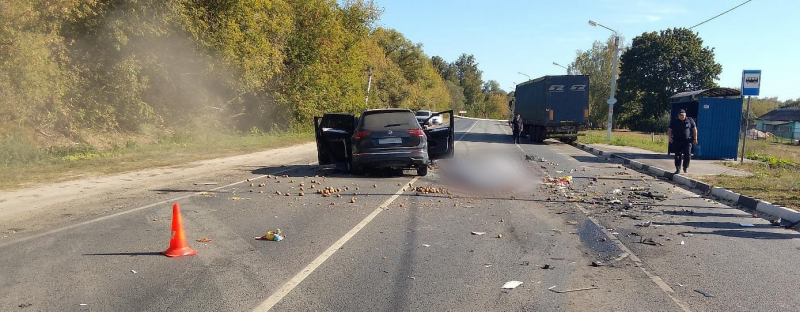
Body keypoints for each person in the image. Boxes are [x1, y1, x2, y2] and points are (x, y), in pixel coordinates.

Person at [667, 109, 698, 174]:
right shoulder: (675, 121)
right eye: (680, 115)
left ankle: (685, 167)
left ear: (685, 115)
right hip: (677, 140)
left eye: (683, 115)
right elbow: (669, 130)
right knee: (678, 155)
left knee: (688, 154)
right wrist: (669, 137)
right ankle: (678, 169)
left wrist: (695, 138)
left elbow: (694, 129)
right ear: (678, 115)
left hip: (687, 141)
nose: (682, 116)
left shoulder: (690, 120)